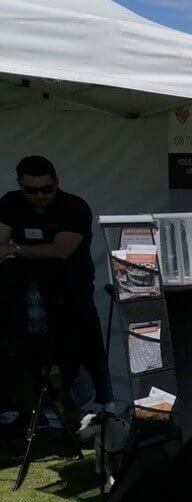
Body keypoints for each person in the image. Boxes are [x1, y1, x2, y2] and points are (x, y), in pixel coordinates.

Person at [0, 155, 112, 411]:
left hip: (71, 291)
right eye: (31, 190)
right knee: (22, 349)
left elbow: (61, 250)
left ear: (56, 182)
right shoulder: (9, 203)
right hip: (22, 292)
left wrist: (14, 248)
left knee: (83, 348)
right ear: (20, 184)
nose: (39, 195)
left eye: (46, 189)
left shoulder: (73, 206)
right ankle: (27, 409)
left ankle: (101, 407)